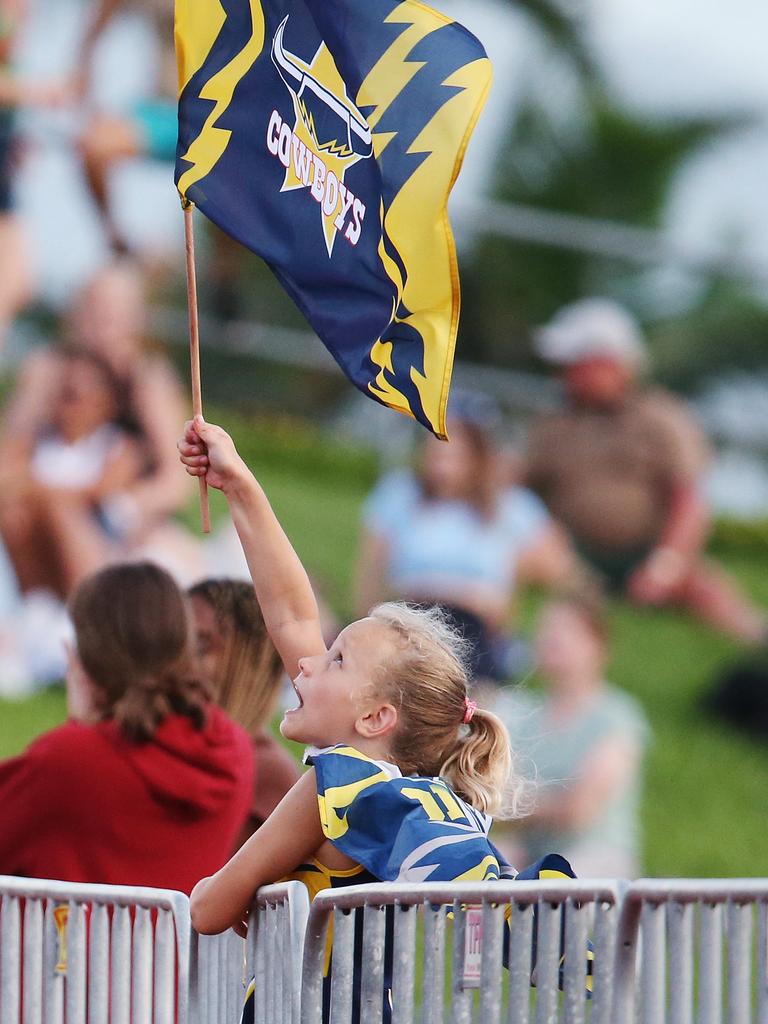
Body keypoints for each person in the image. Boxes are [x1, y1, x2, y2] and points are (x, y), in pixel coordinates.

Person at [0, 562, 253, 893]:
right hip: (180, 945)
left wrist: (80, 722)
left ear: (87, 659)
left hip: (67, 944)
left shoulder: (65, 761)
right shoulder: (233, 748)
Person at [526, 297, 767, 643]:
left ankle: (755, 640)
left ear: (608, 364)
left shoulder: (662, 419)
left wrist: (665, 563)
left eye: (574, 363)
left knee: (704, 588)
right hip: (571, 554)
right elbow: (520, 490)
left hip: (643, 553)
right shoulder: (555, 423)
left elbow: (689, 500)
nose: (563, 373)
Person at [0, 260, 199, 581]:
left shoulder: (147, 380)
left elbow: (174, 481)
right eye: (91, 308)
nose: (99, 322)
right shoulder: (48, 368)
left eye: (110, 312)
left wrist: (118, 508)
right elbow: (13, 448)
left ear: (134, 319)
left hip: (126, 521)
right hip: (44, 504)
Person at [355, 394, 573, 683]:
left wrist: (512, 571)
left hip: (477, 623)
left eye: (454, 455)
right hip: (415, 614)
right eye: (436, 454)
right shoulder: (402, 494)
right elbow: (371, 571)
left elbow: (559, 570)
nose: (442, 466)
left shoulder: (508, 506)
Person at [495, 588, 650, 879]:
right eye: (546, 629)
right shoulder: (521, 712)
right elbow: (492, 796)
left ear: (598, 644)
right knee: (481, 869)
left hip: (597, 853)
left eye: (566, 629)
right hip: (529, 849)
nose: (551, 638)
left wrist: (517, 802)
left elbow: (580, 809)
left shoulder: (617, 715)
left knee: (555, 882)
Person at [0, 346, 143, 596]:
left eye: (76, 395)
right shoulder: (36, 439)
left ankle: (83, 601)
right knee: (13, 517)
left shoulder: (116, 447)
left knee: (57, 513)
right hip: (35, 545)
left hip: (95, 543)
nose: (68, 403)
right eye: (63, 392)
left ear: (107, 401)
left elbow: (96, 493)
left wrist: (35, 492)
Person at [188, 578, 300, 847]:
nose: (181, 660)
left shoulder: (265, 767)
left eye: (201, 646)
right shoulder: (169, 746)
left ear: (250, 661)